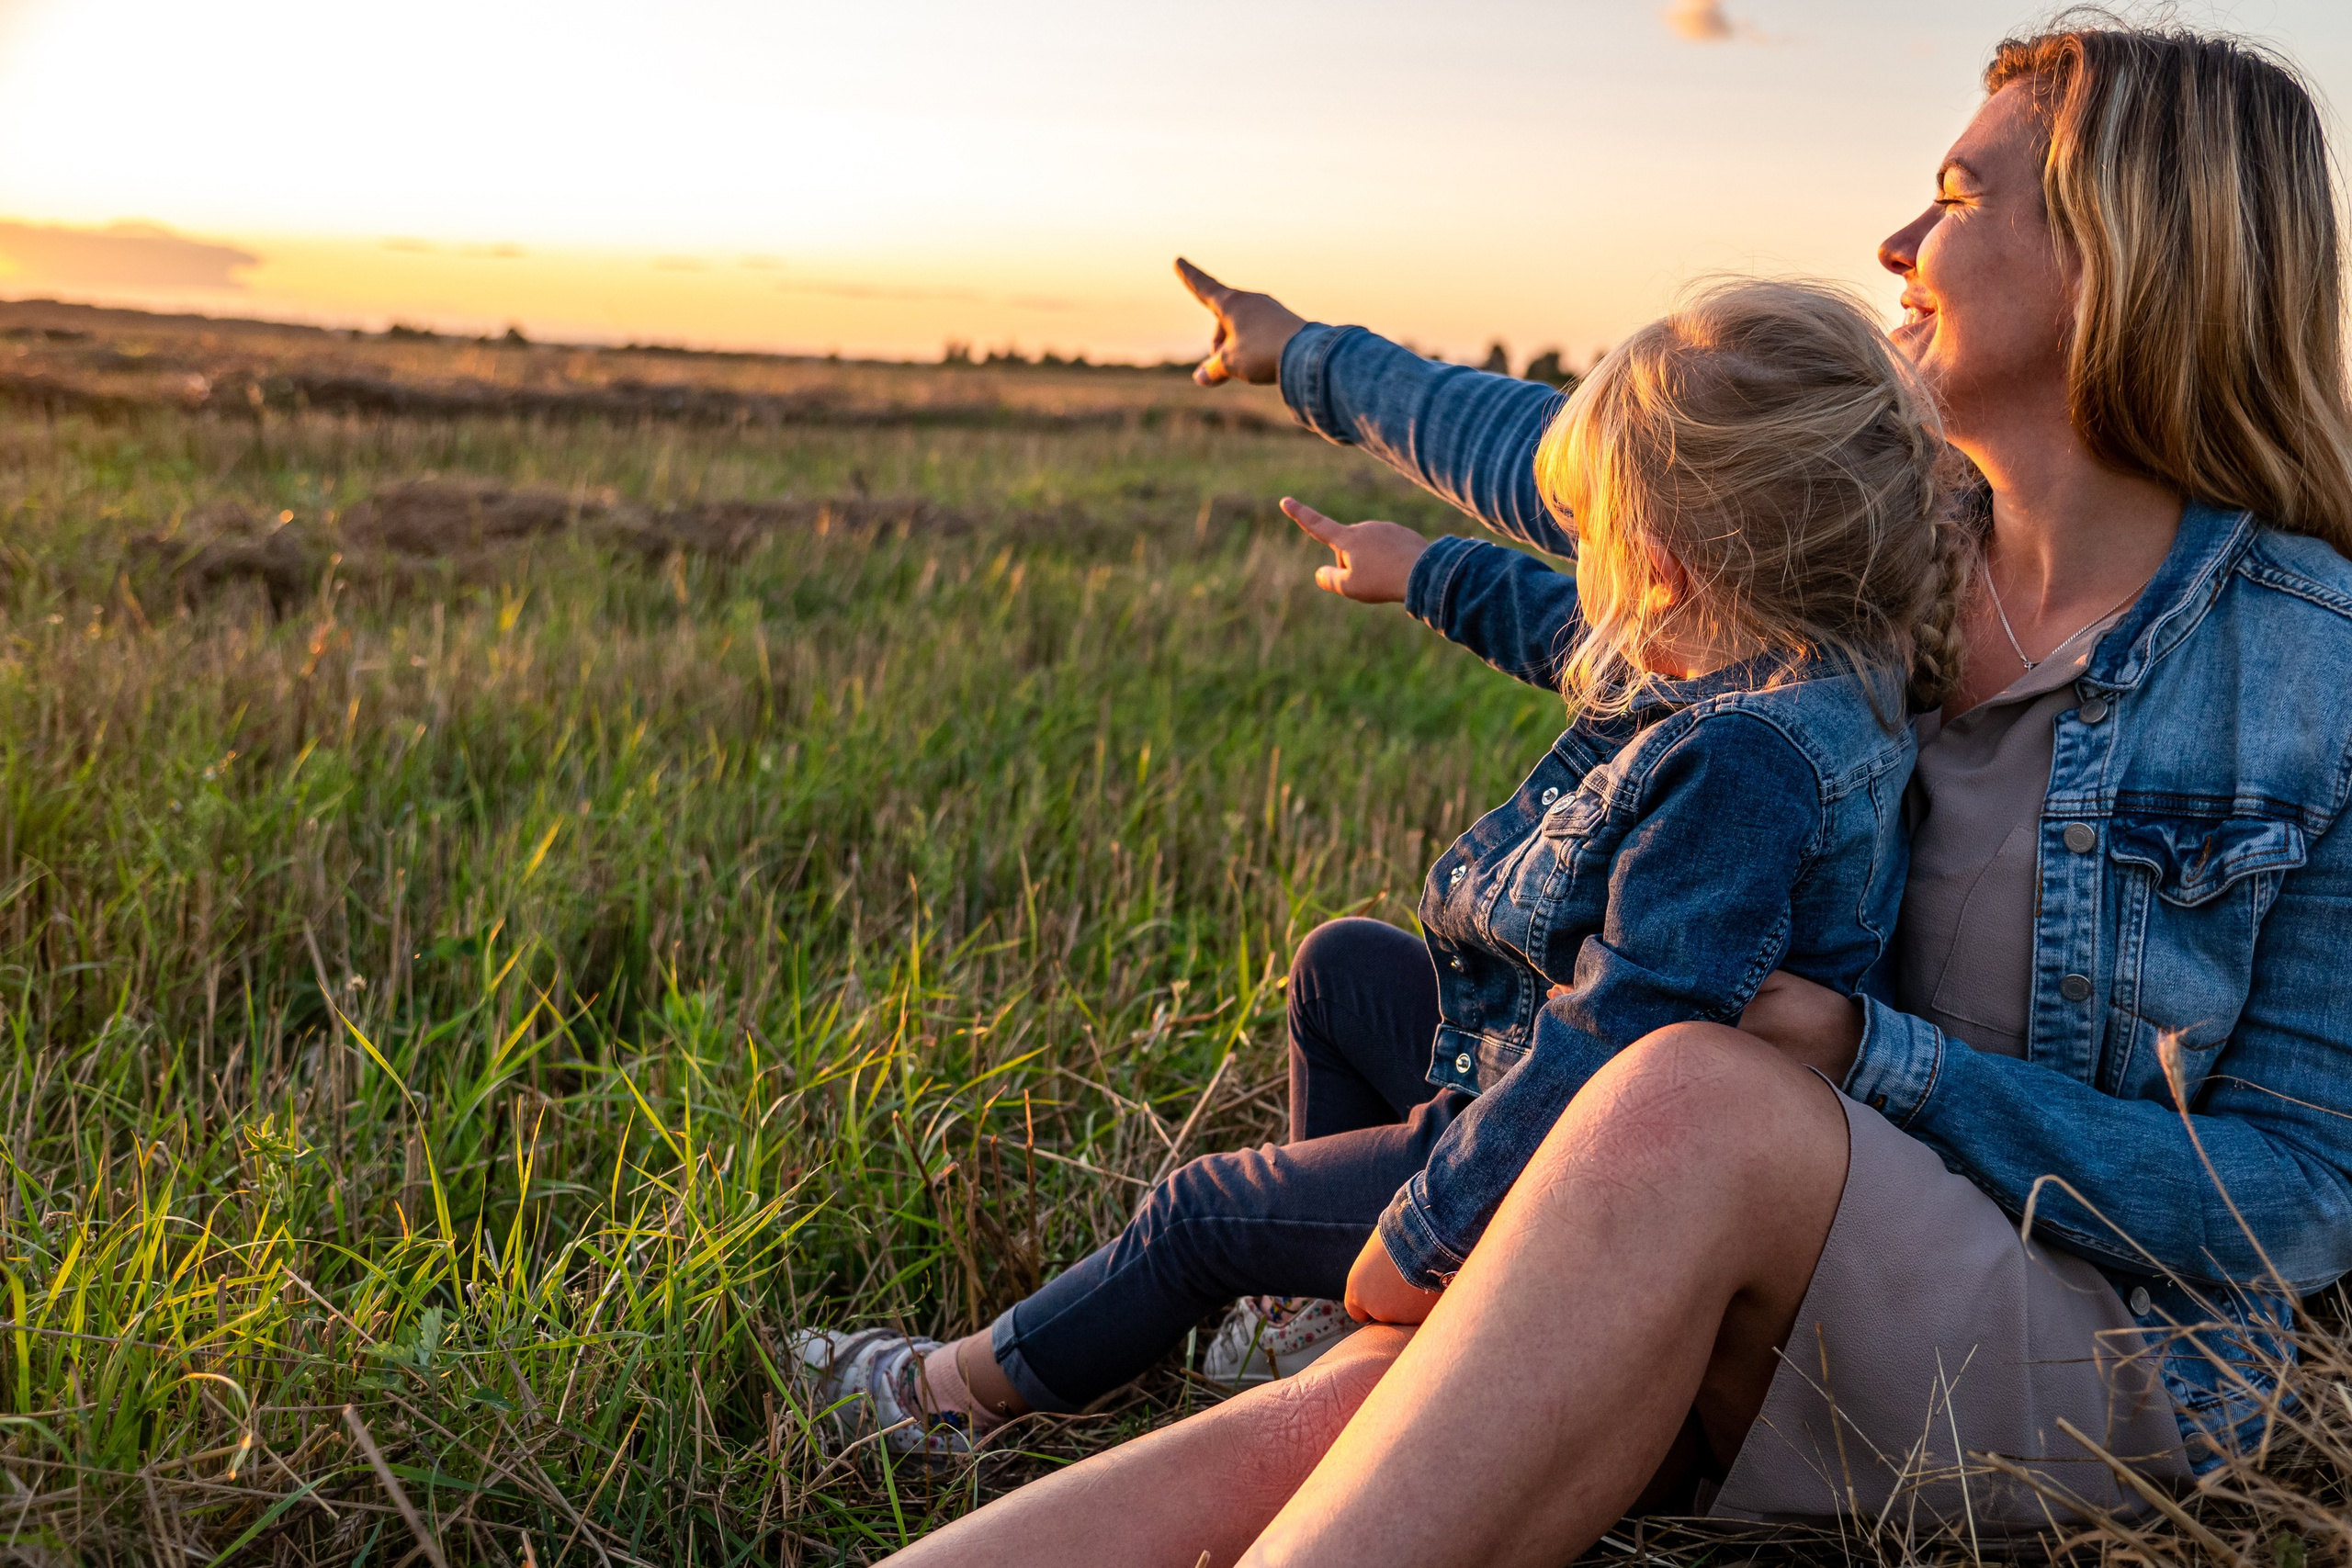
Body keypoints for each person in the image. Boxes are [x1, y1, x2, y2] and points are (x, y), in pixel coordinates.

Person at [877, 21, 2352, 1566]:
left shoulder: (2308, 675)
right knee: (1382, 1375)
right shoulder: (1872, 539)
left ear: (2122, 256)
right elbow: (1566, 450)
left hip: (2094, 1352)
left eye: (1959, 197)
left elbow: (2298, 1201)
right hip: (1744, 1238)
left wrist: (1873, 1055)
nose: (1896, 241)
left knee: (1670, 1094)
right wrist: (1298, 350)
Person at [793, 280, 1970, 1444]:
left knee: (1203, 1210)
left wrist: (1428, 1235)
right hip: (1527, 1096)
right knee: (1343, 970)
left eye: (1601, 540)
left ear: (1668, 563)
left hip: (1550, 1159)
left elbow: (1616, 1055)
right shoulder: (1816, 653)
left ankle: (948, 1398)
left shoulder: (1748, 761)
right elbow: (1575, 631)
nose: (1593, 579)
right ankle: (1313, 1317)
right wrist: (1423, 572)